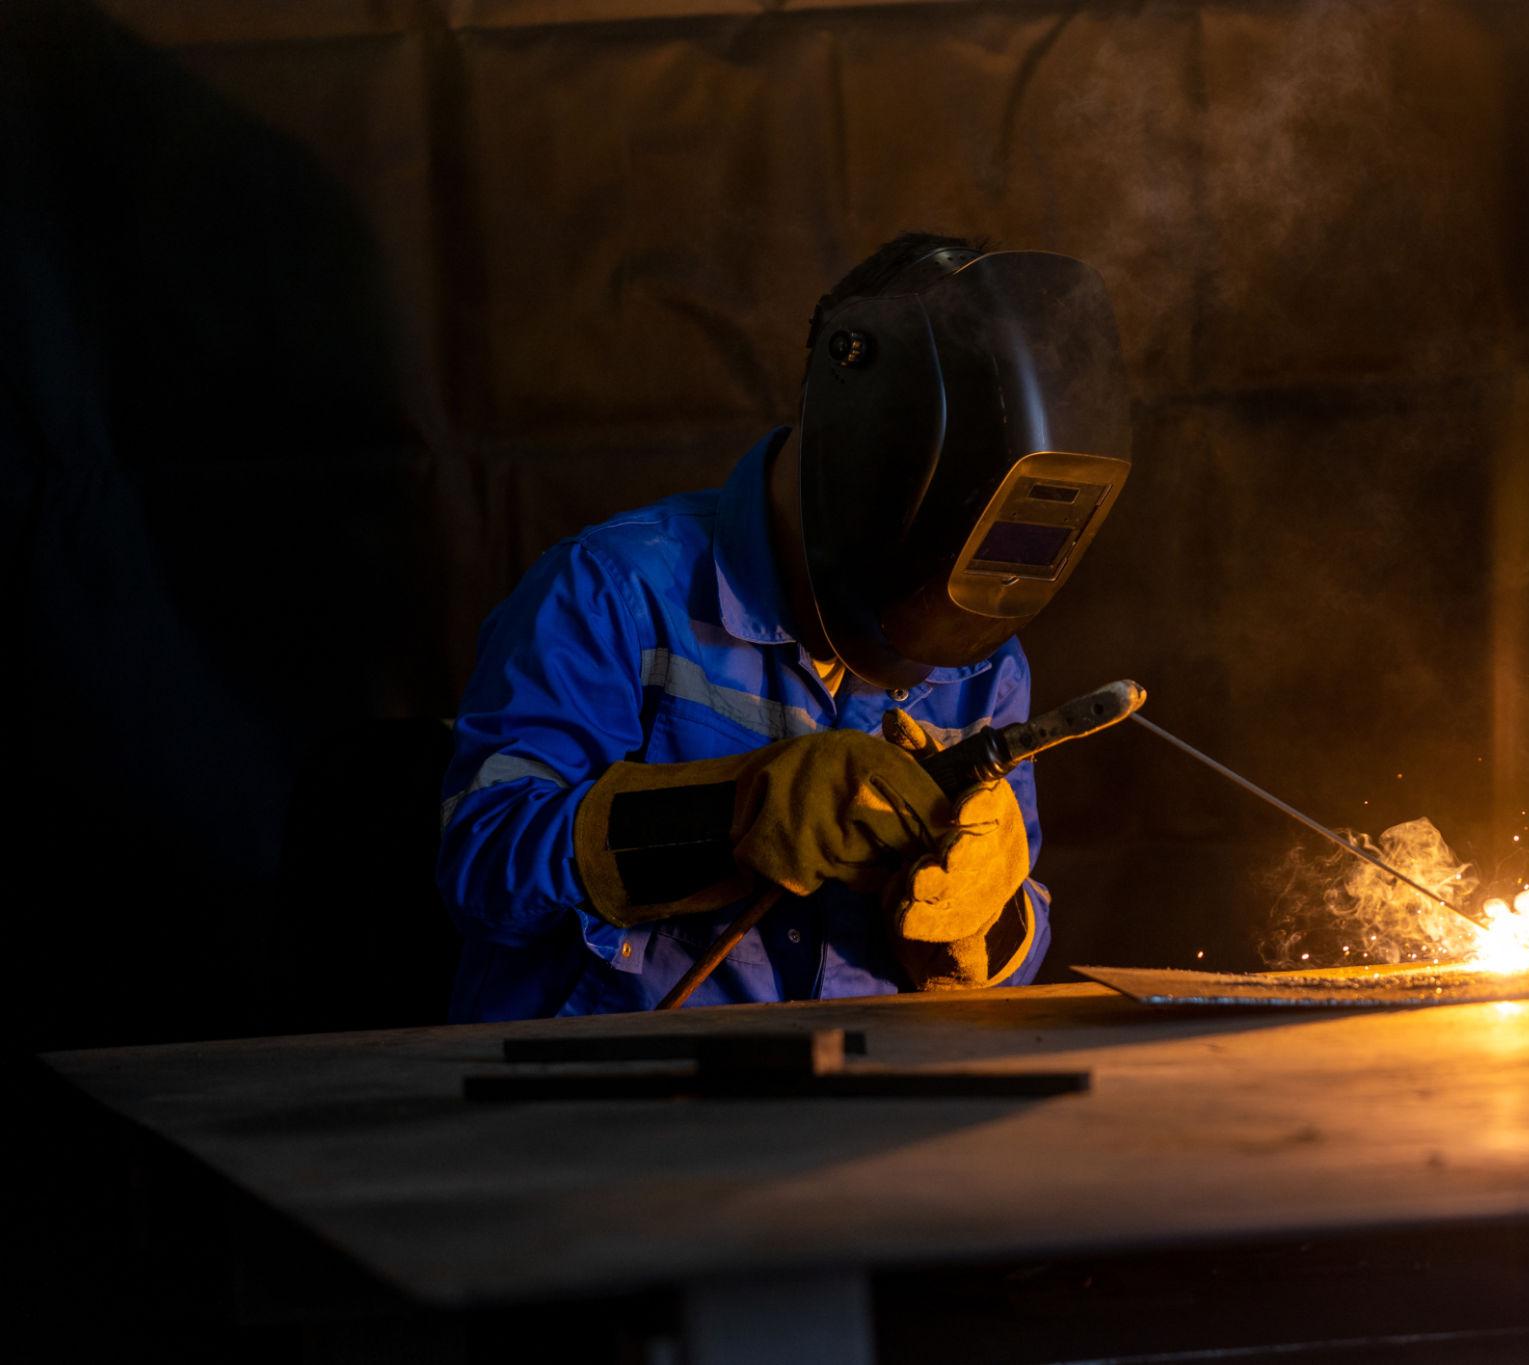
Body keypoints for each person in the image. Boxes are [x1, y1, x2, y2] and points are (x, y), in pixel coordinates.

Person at [436, 234, 1133, 1019]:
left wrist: (974, 915)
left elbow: (1014, 950)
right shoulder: (616, 591)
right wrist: (732, 813)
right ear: (858, 429)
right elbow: (483, 860)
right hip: (617, 1112)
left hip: (860, 1115)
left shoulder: (981, 662)